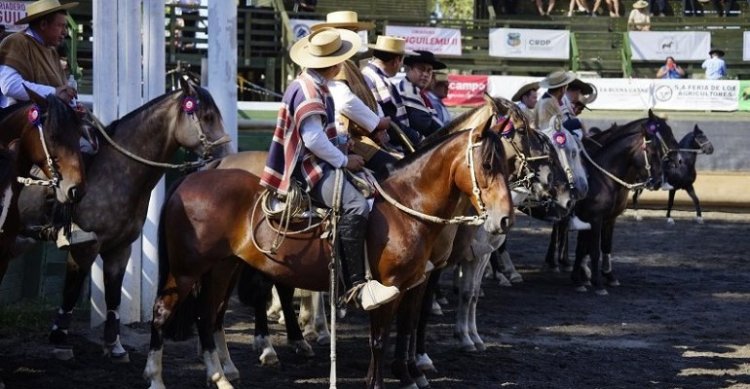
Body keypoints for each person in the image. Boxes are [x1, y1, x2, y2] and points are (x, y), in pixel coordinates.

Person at [260, 28, 399, 311]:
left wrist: (344, 146)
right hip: (307, 170)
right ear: (335, 64)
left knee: (372, 187)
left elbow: (320, 135)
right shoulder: (310, 90)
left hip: (318, 161)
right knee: (357, 205)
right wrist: (345, 160)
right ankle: (355, 287)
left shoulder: (313, 85)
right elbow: (311, 138)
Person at [0, 0, 97, 248]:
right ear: (43, 24)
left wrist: (73, 106)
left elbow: (61, 95)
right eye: (60, 26)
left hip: (46, 125)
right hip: (16, 124)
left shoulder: (52, 52)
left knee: (89, 146)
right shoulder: (17, 42)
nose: (65, 31)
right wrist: (54, 91)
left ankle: (63, 224)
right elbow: (9, 86)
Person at [310, 11, 399, 174]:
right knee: (393, 169)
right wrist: (377, 123)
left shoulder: (348, 63)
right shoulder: (334, 64)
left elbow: (366, 96)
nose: (354, 38)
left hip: (359, 132)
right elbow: (344, 101)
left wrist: (377, 125)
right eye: (350, 33)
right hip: (345, 136)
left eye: (354, 33)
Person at [536, 70, 591, 231]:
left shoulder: (550, 100)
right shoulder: (548, 103)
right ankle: (570, 212)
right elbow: (555, 127)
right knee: (570, 168)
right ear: (562, 87)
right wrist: (578, 124)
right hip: (550, 140)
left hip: (553, 137)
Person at [361, 35, 422, 149]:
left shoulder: (369, 75)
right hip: (384, 145)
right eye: (401, 61)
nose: (401, 65)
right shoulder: (378, 80)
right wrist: (414, 136)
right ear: (396, 61)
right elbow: (390, 120)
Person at [398, 50, 446, 138]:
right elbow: (423, 123)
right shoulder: (407, 91)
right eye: (421, 69)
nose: (425, 74)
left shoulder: (419, 93)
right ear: (409, 69)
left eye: (429, 70)